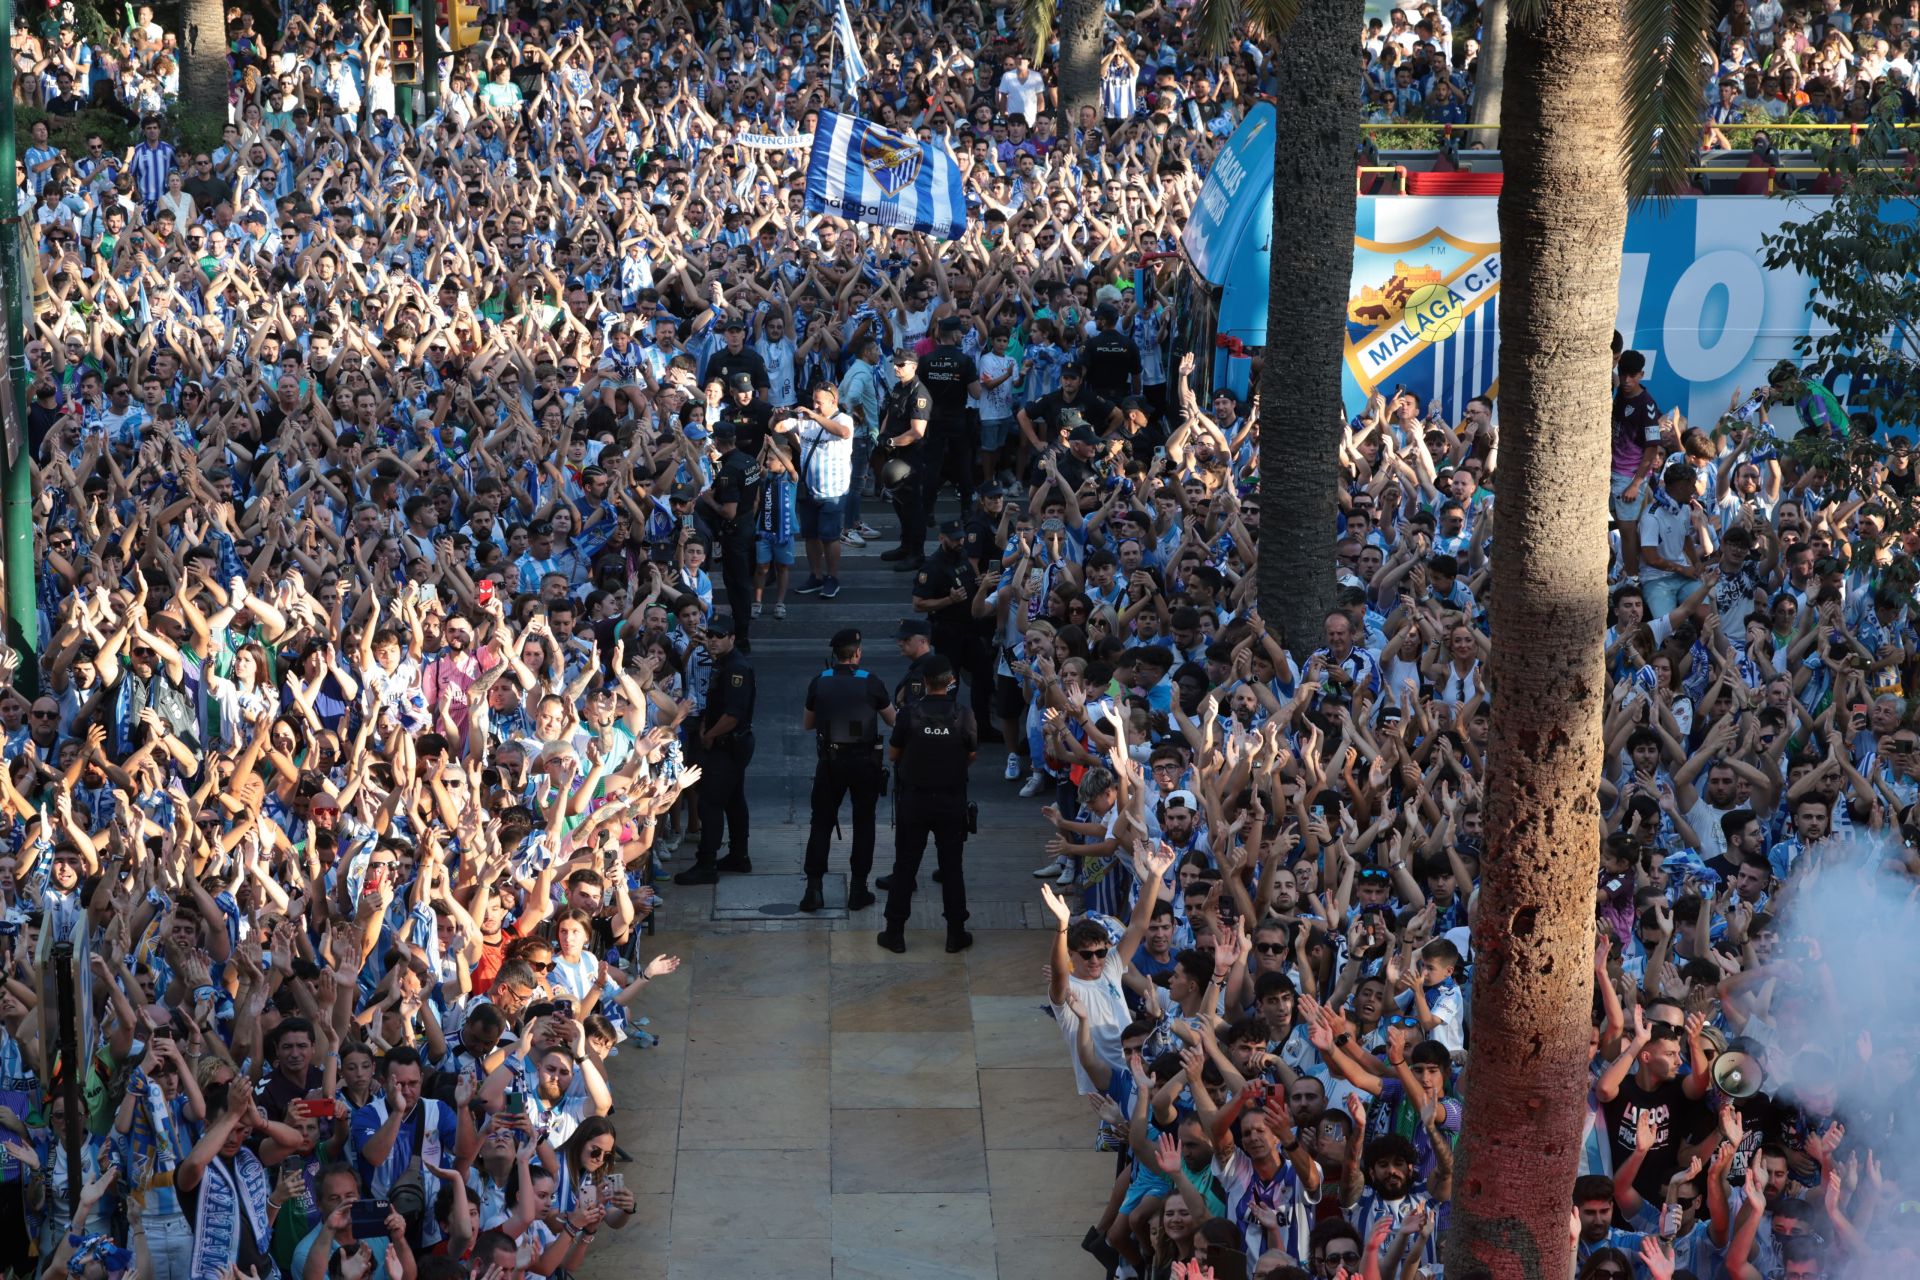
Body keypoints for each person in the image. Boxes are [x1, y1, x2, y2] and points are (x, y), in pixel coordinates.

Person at [877, 657, 977, 954]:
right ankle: (955, 933)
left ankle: (894, 932)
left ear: (925, 683)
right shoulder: (963, 714)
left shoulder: (909, 714)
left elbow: (894, 754)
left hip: (914, 801)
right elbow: (971, 754)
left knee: (905, 866)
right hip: (950, 800)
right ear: (950, 682)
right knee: (952, 868)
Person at [801, 628, 894, 914]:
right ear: (857, 654)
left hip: (830, 762)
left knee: (821, 823)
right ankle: (858, 890)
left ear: (835, 655)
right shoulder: (872, 683)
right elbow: (892, 720)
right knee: (864, 824)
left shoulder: (820, 682)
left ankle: (813, 890)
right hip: (864, 762)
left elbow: (808, 723)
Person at [673, 615, 757, 886]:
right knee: (733, 799)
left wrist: (709, 735)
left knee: (710, 802)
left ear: (732, 638)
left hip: (728, 744)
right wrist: (706, 726)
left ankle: (707, 863)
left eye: (719, 636)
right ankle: (738, 855)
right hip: (725, 741)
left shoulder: (736, 669)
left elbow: (733, 715)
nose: (712, 640)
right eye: (709, 635)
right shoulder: (722, 664)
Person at [697, 421, 761, 654]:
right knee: (743, 583)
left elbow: (728, 511)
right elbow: (754, 500)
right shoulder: (749, 461)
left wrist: (709, 500)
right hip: (747, 526)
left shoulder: (730, 470)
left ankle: (741, 637)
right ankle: (742, 631)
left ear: (717, 442)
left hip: (735, 532)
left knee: (737, 585)